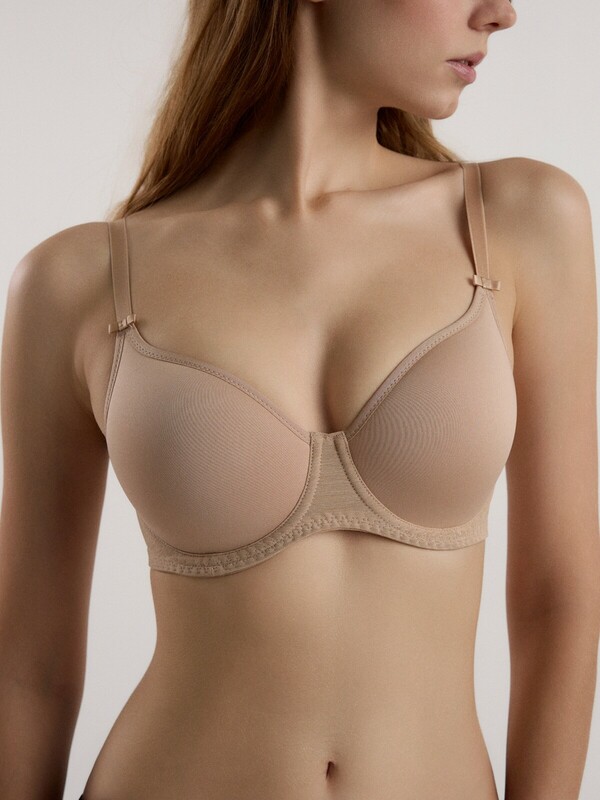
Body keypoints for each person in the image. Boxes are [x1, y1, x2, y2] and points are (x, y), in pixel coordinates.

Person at [1, 1, 599, 798]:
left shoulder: (518, 221)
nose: (501, 13)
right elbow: (29, 669)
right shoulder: (77, 283)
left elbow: (560, 600)